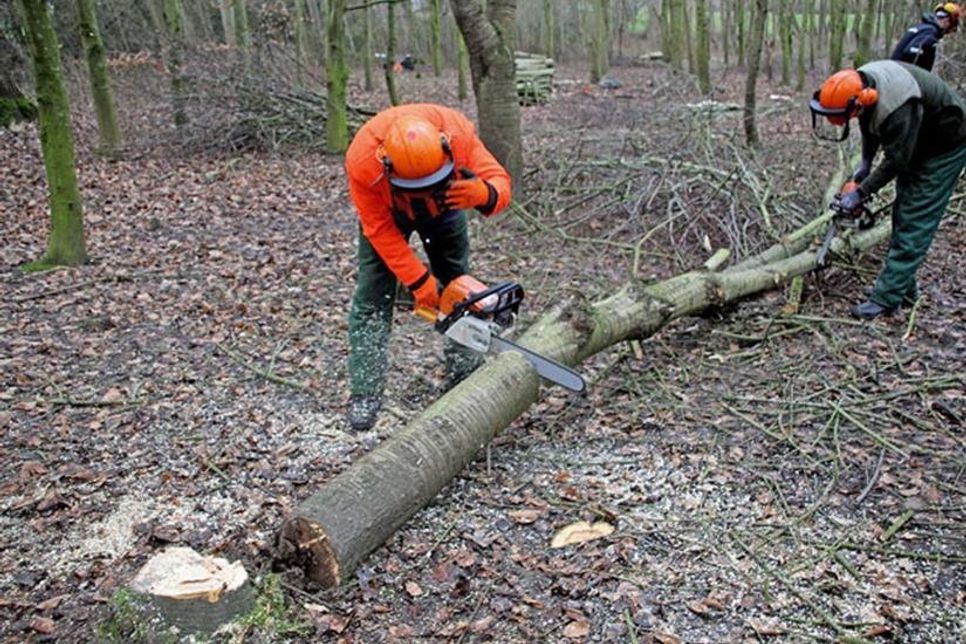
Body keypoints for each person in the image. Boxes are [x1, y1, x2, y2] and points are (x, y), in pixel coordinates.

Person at [343, 104, 512, 431]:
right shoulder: (364, 162)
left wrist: (484, 193)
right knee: (373, 299)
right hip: (388, 214)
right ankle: (365, 392)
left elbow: (501, 184)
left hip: (446, 207)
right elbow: (379, 230)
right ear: (386, 164)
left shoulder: (458, 133)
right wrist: (419, 282)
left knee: (459, 291)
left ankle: (464, 376)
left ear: (445, 148)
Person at [809, 61, 966, 320]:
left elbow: (896, 161)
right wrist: (865, 165)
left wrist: (860, 194)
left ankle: (886, 300)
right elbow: (870, 125)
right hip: (921, 137)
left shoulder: (899, 106)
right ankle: (901, 288)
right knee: (903, 210)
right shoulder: (864, 85)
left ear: (859, 102)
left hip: (945, 145)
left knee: (915, 217)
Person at [890, 3, 960, 71]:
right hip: (902, 73)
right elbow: (912, 52)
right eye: (951, 28)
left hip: (894, 67)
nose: (946, 32)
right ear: (947, 20)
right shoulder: (931, 33)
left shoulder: (922, 27)